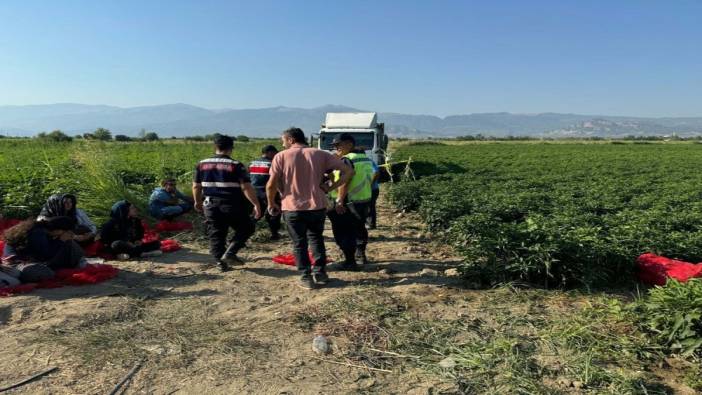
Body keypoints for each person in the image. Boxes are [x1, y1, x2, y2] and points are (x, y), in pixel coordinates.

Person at [266, 127, 352, 289]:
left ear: (291, 140)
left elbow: (271, 184)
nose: (282, 143)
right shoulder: (321, 154)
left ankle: (306, 276)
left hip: (292, 207)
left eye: (283, 140)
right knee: (316, 239)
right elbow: (348, 172)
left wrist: (272, 202)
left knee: (299, 243)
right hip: (317, 206)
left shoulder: (281, 156)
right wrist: (330, 188)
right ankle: (320, 273)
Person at [192, 134, 262, 272]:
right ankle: (230, 253)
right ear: (231, 148)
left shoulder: (201, 164)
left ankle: (220, 263)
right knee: (247, 227)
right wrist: (256, 204)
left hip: (210, 204)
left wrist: (197, 201)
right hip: (232, 204)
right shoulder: (236, 165)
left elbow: (196, 186)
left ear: (215, 146)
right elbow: (246, 187)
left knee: (217, 233)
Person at [327, 133, 375, 270]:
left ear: (349, 144)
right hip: (363, 199)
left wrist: (340, 200)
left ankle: (350, 261)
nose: (336, 149)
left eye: (338, 145)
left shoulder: (347, 160)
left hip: (349, 202)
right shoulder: (364, 158)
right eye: (334, 146)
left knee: (343, 231)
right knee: (359, 228)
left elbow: (345, 182)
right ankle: (360, 255)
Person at [1, 216, 86, 283]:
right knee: (44, 273)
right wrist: (61, 241)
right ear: (59, 230)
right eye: (69, 232)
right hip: (17, 264)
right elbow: (45, 255)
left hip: (30, 262)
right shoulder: (38, 233)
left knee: (69, 244)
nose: (70, 235)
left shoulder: (43, 231)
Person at [249, 145, 282, 240]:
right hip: (269, 191)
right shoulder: (272, 164)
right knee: (274, 212)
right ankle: (274, 234)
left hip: (254, 192)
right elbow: (277, 180)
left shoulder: (252, 163)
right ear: (269, 152)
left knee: (256, 213)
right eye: (275, 153)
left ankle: (246, 233)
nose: (276, 155)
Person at [367, 159, 381, 230]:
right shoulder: (370, 161)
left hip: (372, 189)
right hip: (373, 189)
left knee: (370, 206)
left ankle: (372, 224)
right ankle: (369, 223)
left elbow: (376, 172)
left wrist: (370, 185)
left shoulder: (368, 162)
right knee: (368, 206)